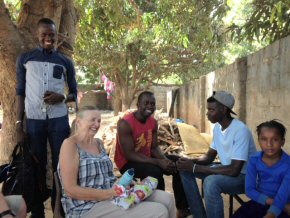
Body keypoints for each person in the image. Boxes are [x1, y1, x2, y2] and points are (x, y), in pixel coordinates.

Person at [58, 106, 176, 218]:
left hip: (112, 196)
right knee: (159, 211)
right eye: (92, 120)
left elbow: (107, 177)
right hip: (87, 207)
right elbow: (70, 189)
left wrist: (124, 184)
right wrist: (109, 193)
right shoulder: (70, 145)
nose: (97, 124)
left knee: (167, 199)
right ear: (78, 122)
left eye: (99, 120)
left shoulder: (98, 143)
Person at [15, 18, 77, 217]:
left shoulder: (65, 61)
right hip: (33, 121)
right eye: (44, 35)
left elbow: (75, 93)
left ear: (56, 36)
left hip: (59, 120)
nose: (48, 38)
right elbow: (20, 92)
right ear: (37, 35)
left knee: (60, 165)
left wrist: (63, 97)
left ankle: (58, 207)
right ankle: (38, 210)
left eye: (52, 34)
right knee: (36, 165)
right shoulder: (26, 59)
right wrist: (18, 124)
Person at [176, 90, 257, 218]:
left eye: (211, 110)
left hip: (245, 177)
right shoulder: (218, 129)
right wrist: (189, 161)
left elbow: (234, 170)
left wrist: (195, 167)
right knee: (184, 170)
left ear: (223, 110)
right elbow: (208, 157)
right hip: (228, 172)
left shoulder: (241, 130)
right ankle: (199, 215)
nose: (207, 113)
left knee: (211, 182)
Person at [114, 91, 189, 218]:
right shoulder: (125, 123)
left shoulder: (153, 122)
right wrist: (158, 162)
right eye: (146, 103)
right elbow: (129, 154)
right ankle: (160, 209)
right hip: (127, 162)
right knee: (155, 172)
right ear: (138, 105)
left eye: (152, 104)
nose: (150, 106)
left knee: (179, 163)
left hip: (146, 157)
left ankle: (182, 209)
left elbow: (154, 147)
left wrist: (165, 161)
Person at [233, 120, 290, 218]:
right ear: (258, 140)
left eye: (275, 139)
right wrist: (273, 202)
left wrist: (271, 214)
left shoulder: (288, 164)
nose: (269, 144)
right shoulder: (254, 160)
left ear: (282, 142)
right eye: (264, 139)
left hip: (284, 203)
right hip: (261, 201)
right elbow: (249, 190)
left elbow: (283, 195)